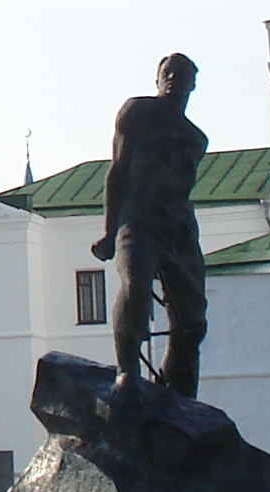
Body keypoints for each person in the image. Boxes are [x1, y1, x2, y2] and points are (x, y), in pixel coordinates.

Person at [89, 52, 210, 398]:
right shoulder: (137, 113)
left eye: (182, 73)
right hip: (138, 218)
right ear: (157, 79)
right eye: (167, 72)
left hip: (179, 226)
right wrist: (111, 232)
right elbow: (118, 171)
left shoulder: (195, 139)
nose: (173, 77)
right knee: (137, 285)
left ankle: (180, 392)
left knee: (192, 321)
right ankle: (127, 371)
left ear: (194, 83)